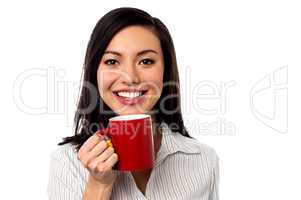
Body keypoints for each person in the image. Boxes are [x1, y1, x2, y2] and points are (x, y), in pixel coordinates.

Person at [47, 7, 219, 200]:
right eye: (112, 62)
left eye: (146, 61)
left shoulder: (204, 159)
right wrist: (99, 185)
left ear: (166, 70)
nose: (130, 77)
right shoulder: (67, 161)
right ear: (95, 72)